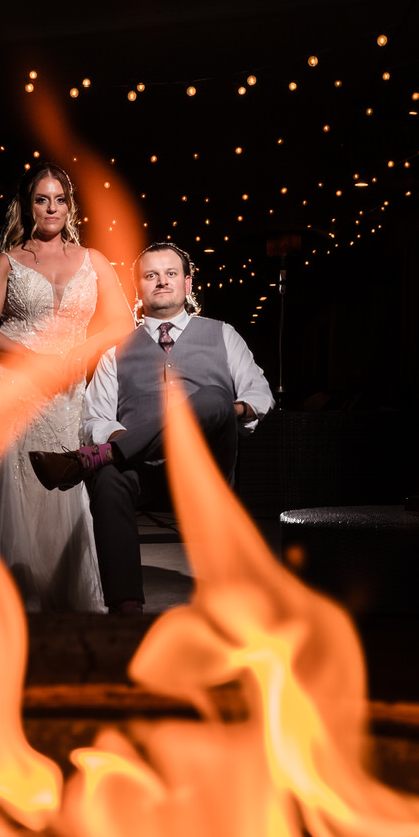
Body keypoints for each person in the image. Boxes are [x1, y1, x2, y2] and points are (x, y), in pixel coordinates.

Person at [30, 242, 273, 615]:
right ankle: (125, 609)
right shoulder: (115, 352)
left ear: (188, 285)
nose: (162, 282)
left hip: (207, 464)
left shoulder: (223, 334)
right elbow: (96, 418)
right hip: (143, 471)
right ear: (138, 289)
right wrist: (138, 442)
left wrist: (227, 410)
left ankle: (93, 459)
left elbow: (260, 394)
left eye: (171, 273)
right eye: (151, 276)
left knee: (212, 398)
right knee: (109, 480)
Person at [0, 163, 133, 611]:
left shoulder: (93, 259)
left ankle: (63, 592)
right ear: (29, 205)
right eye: (42, 199)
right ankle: (10, 601)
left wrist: (82, 353)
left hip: (67, 388)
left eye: (59, 199)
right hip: (13, 381)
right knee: (16, 485)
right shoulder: (7, 262)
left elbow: (121, 321)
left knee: (62, 482)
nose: (51, 207)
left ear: (69, 205)